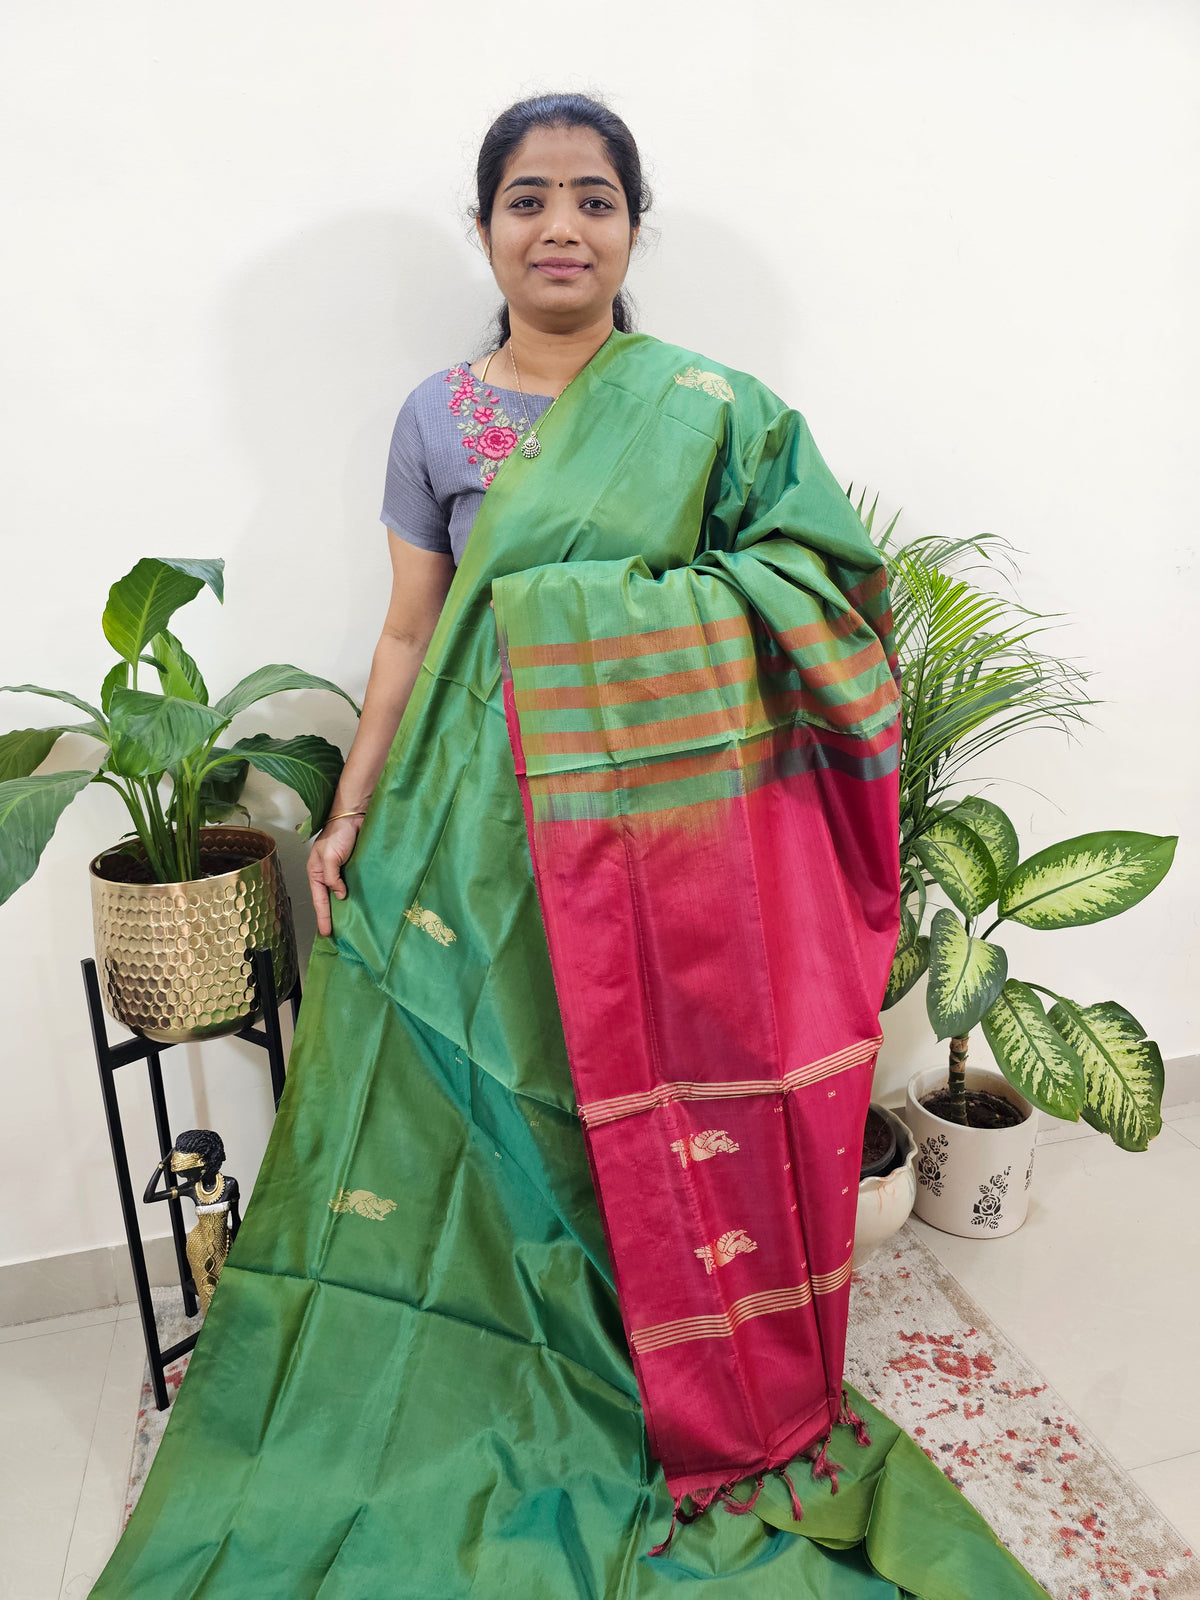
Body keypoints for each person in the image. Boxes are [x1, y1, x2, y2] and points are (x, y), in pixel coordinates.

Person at [91, 93, 1049, 1598]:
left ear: (630, 228)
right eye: (528, 197)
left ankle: (656, 1363)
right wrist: (349, 813)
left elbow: (820, 597)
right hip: (473, 850)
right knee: (489, 1121)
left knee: (637, 1112)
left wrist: (589, 628)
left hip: (654, 863)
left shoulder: (711, 408)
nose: (560, 224)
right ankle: (492, 1364)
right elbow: (411, 631)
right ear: (483, 228)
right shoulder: (435, 418)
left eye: (593, 198)